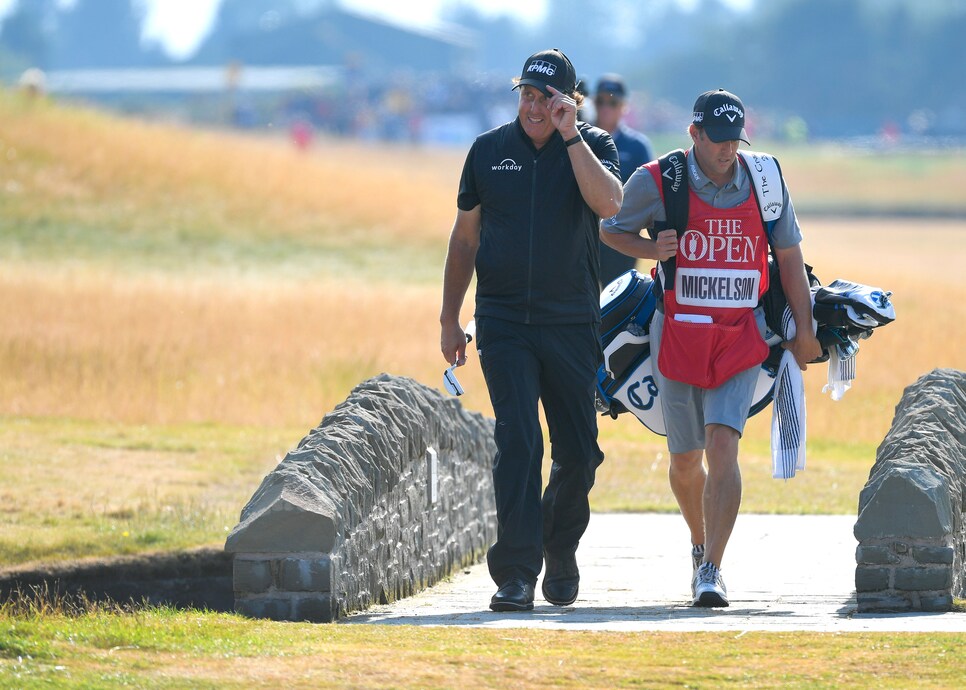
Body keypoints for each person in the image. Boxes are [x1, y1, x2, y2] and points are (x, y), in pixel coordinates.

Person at [600, 89, 821, 607]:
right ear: (694, 134)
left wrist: (805, 329)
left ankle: (712, 570)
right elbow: (612, 232)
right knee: (684, 461)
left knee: (723, 444)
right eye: (717, 140)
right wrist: (650, 249)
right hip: (676, 335)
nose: (728, 151)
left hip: (740, 337)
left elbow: (789, 258)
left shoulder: (764, 180)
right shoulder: (659, 179)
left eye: (735, 140)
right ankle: (699, 543)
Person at [440, 49, 623, 612]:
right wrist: (450, 317)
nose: (534, 106)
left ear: (570, 102)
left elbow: (610, 203)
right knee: (518, 439)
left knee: (580, 450)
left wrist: (572, 139)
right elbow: (465, 237)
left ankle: (558, 545)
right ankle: (516, 574)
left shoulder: (595, 147)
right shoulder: (488, 151)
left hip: (570, 321)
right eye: (527, 94)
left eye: (547, 97)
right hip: (503, 323)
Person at [593, 74, 655, 287]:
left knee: (617, 299)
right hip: (584, 235)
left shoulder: (637, 145)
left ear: (623, 107)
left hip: (622, 234)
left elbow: (650, 191)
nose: (606, 108)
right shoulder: (580, 138)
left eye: (613, 102)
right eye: (601, 101)